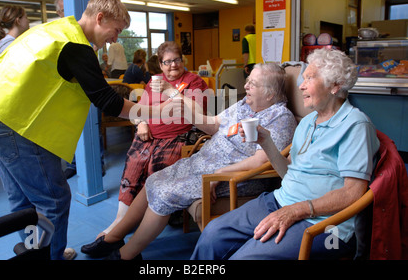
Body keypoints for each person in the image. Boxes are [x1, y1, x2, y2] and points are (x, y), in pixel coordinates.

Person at [0, 0, 163, 260]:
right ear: (100, 18)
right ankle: (51, 255)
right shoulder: (76, 46)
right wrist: (154, 112)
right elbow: (107, 101)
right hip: (12, 125)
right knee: (54, 200)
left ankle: (38, 251)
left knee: (22, 200)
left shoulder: (54, 29)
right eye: (116, 30)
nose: (116, 39)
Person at [81, 62, 297, 260]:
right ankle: (115, 236)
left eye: (253, 83)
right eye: (248, 80)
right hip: (205, 162)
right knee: (154, 179)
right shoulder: (245, 105)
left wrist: (220, 175)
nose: (246, 85)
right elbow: (214, 125)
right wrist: (189, 115)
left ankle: (126, 255)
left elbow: (260, 162)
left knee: (166, 192)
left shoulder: (280, 118)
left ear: (269, 94)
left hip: (236, 177)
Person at [191, 48, 380, 260]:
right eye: (303, 77)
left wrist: (297, 210)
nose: (301, 85)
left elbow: (352, 193)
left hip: (326, 225)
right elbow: (288, 172)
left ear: (335, 86)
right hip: (282, 201)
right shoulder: (309, 121)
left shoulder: (355, 126)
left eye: (310, 78)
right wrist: (266, 142)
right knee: (213, 233)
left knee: (245, 258)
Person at [94, 41, 208, 237]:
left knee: (156, 169)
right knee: (134, 163)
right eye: (168, 61)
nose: (173, 65)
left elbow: (198, 112)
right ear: (161, 64)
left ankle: (150, 216)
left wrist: (169, 90)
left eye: (177, 60)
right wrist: (141, 123)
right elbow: (138, 109)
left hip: (177, 136)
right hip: (149, 135)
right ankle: (121, 219)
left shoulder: (194, 82)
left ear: (183, 60)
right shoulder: (153, 81)